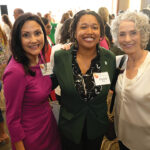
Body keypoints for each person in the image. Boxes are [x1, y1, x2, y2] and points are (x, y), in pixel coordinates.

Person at [53, 9, 116, 150]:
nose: (89, 31)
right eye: (83, 27)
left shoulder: (109, 58)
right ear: (74, 32)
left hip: (97, 126)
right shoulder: (61, 57)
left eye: (95, 27)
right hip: (70, 126)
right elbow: (46, 84)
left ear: (101, 32)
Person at [3, 13, 61, 150]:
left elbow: (44, 81)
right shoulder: (15, 73)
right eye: (26, 35)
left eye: (37, 33)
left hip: (48, 127)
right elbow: (12, 120)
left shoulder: (39, 56)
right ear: (18, 38)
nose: (34, 40)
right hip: (31, 137)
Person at [111, 11, 150, 150]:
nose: (127, 39)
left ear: (142, 34)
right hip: (122, 139)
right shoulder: (119, 62)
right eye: (122, 34)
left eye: (133, 33)